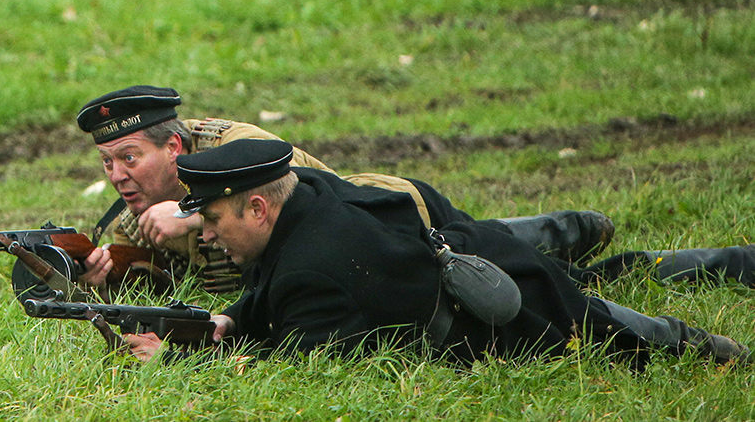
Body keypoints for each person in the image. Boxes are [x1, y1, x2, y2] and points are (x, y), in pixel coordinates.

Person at [118, 138, 749, 365]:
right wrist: (227, 319)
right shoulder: (304, 190)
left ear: (258, 207)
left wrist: (180, 360)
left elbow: (293, 359)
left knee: (621, 338)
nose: (205, 234)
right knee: (601, 294)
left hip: (509, 317)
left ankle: (713, 347)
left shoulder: (317, 275)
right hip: (489, 256)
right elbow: (268, 296)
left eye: (215, 218)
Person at [75, 86, 613, 295]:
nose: (117, 174)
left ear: (173, 150)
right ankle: (587, 244)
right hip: (361, 258)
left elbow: (307, 191)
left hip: (394, 219)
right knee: (552, 278)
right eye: (107, 162)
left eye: (129, 157)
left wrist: (193, 216)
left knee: (518, 262)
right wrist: (101, 275)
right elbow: (146, 281)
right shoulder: (136, 214)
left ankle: (567, 230)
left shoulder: (236, 145)